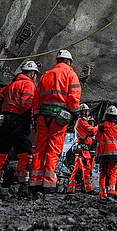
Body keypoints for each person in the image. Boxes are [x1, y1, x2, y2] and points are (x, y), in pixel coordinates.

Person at [30, 50, 82, 194]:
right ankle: (48, 185)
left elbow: (36, 98)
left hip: (42, 116)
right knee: (53, 151)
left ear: (58, 60)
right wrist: (75, 114)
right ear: (69, 61)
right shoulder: (71, 74)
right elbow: (73, 98)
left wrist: (35, 116)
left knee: (39, 149)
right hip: (59, 117)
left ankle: (34, 183)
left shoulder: (46, 75)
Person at [0, 60, 39, 198]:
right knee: (26, 155)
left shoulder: (11, 85)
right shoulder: (28, 84)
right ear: (32, 73)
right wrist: (31, 118)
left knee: (2, 154)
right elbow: (26, 104)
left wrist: (3, 109)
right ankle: (23, 188)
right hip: (20, 122)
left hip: (5, 122)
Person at [66, 103, 96, 194]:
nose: (86, 112)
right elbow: (92, 131)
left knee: (76, 170)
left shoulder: (81, 121)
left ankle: (70, 189)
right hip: (83, 150)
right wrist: (100, 126)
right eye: (85, 111)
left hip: (81, 149)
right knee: (86, 168)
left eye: (87, 111)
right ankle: (89, 189)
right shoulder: (81, 121)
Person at [95, 105, 117, 198]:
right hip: (112, 153)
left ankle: (102, 193)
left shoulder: (100, 126)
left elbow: (96, 137)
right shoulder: (115, 127)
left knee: (102, 172)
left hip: (101, 153)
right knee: (112, 171)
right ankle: (111, 190)